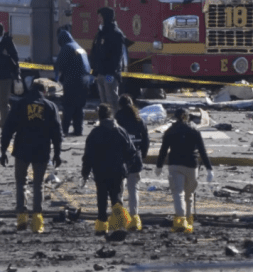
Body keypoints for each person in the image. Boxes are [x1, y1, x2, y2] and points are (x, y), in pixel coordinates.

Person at [0, 80, 63, 234]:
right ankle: (37, 221)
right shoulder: (50, 106)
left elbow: (8, 129)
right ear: (45, 92)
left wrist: (3, 150)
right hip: (41, 150)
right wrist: (57, 153)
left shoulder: (20, 104)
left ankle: (21, 217)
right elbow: (57, 132)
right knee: (38, 184)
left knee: (21, 182)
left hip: (22, 149)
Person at [81, 103, 137, 235]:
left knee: (101, 197)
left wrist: (85, 172)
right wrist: (127, 166)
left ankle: (101, 225)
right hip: (117, 169)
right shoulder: (120, 130)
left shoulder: (95, 133)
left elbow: (88, 155)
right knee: (116, 196)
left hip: (100, 170)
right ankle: (118, 223)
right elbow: (131, 151)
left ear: (99, 117)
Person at [156, 107, 213, 234]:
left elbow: (163, 150)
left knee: (178, 193)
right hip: (191, 165)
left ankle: (180, 220)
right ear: (187, 117)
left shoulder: (170, 131)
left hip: (175, 164)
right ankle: (189, 220)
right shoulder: (194, 130)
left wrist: (159, 166)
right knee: (189, 195)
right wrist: (209, 168)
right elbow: (202, 151)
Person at [115, 94, 150, 231]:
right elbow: (146, 139)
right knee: (133, 188)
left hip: (120, 158)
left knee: (119, 188)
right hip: (135, 157)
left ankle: (120, 217)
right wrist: (143, 154)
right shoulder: (138, 119)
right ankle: (134, 217)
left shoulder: (118, 118)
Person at [54, 28, 91, 136]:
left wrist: (58, 79)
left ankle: (64, 129)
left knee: (68, 106)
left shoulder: (66, 47)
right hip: (85, 81)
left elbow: (59, 65)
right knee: (79, 107)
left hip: (73, 81)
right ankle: (78, 130)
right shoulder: (79, 47)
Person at [90, 7, 126, 112]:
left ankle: (114, 122)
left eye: (100, 16)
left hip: (109, 75)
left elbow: (117, 56)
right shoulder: (100, 32)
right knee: (103, 102)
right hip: (100, 73)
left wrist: (111, 72)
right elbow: (95, 51)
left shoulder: (116, 34)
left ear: (106, 17)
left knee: (112, 99)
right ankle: (105, 121)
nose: (98, 19)